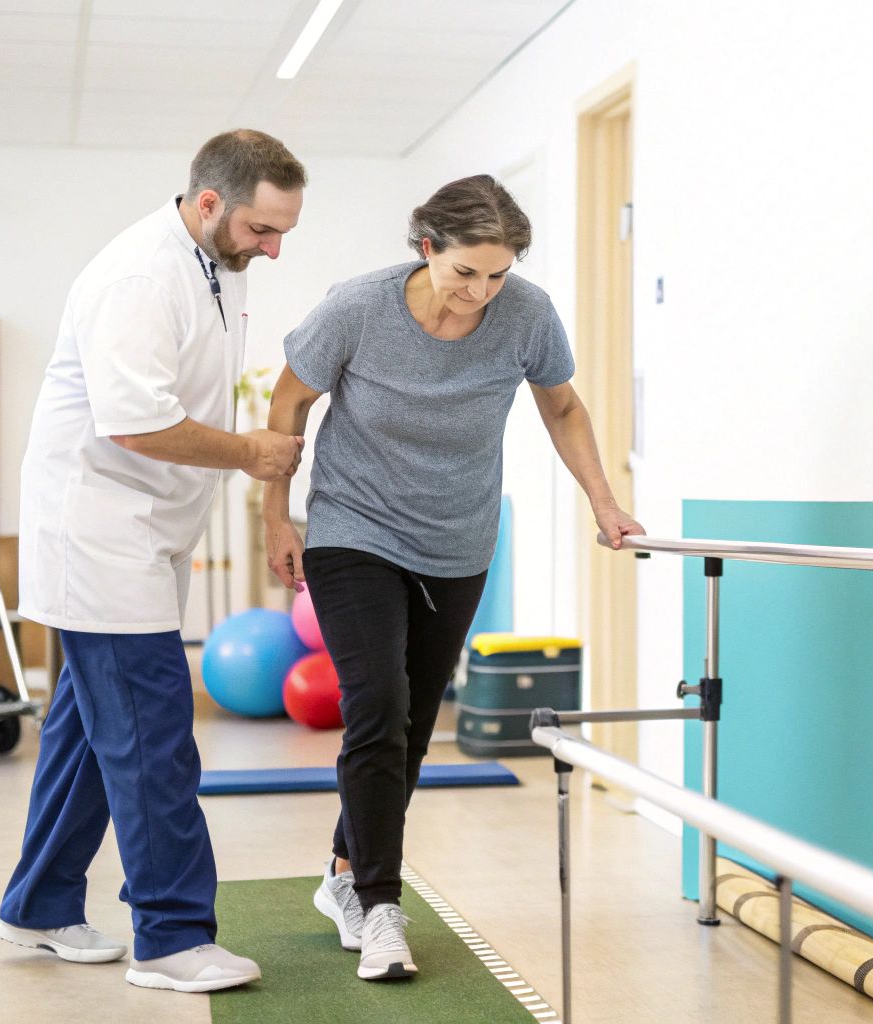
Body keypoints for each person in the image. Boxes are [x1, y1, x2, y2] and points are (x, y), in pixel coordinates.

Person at [263, 174, 644, 981]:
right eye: (466, 271)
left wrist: (605, 501)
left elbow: (562, 407)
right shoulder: (357, 307)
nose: (481, 292)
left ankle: (343, 877)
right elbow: (289, 400)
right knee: (378, 706)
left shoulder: (526, 313)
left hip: (457, 540)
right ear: (427, 246)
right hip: (353, 529)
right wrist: (276, 513)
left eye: (498, 274)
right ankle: (382, 907)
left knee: (411, 723)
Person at [0, 129, 307, 993]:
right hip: (99, 535)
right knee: (154, 737)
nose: (273, 249)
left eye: (285, 232)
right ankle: (170, 936)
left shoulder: (212, 264)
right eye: (261, 229)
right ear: (208, 203)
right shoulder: (138, 275)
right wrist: (251, 454)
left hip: (147, 531)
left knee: (92, 736)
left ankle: (39, 903)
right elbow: (132, 422)